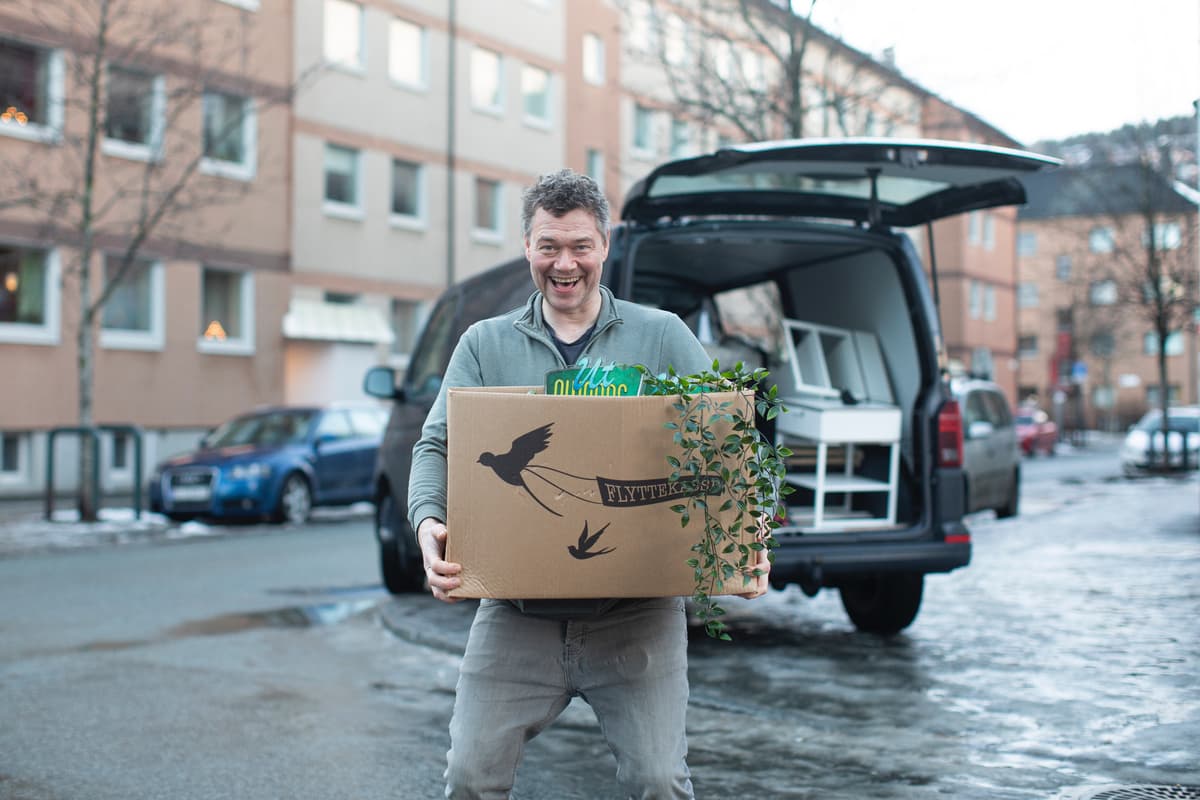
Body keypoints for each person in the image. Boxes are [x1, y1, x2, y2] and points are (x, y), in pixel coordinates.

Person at [407, 168, 769, 799]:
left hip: (637, 615)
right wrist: (428, 521)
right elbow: (437, 443)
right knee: (469, 777)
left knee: (659, 782)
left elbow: (727, 443)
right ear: (527, 248)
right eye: (549, 246)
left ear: (605, 245)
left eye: (580, 246)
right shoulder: (485, 345)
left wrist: (747, 538)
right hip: (517, 615)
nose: (564, 263)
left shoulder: (660, 337)